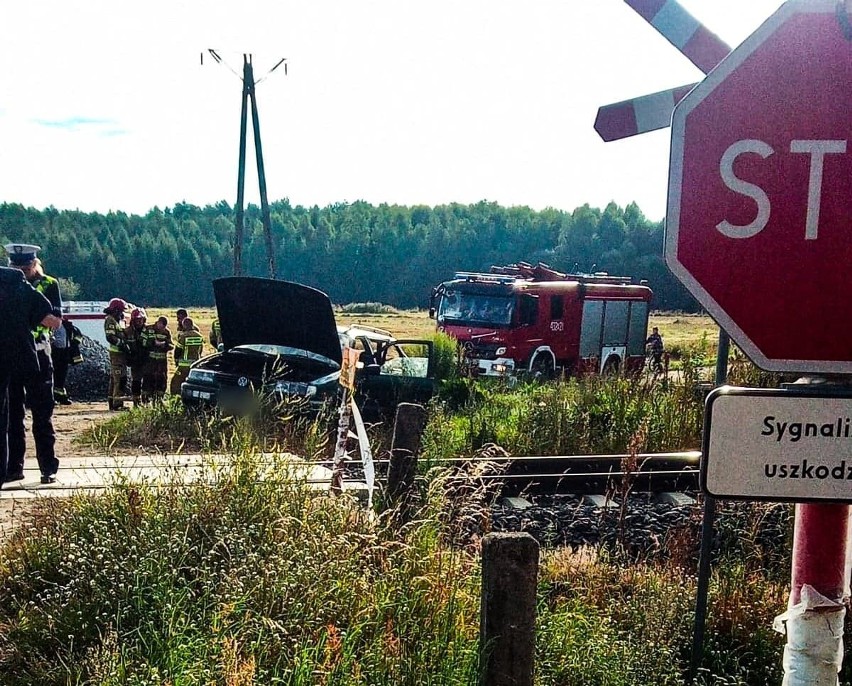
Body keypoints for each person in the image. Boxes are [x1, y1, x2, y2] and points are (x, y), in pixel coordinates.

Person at [4, 244, 63, 485]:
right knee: (12, 415)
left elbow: (55, 321)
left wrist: (24, 315)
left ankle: (47, 466)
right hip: (12, 355)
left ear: (34, 265)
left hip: (38, 352)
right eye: (16, 266)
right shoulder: (4, 285)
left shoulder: (48, 284)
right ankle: (13, 466)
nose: (21, 270)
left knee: (42, 413)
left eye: (25, 267)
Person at [103, 297, 129, 410]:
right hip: (117, 355)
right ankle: (117, 404)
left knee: (114, 379)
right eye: (121, 311)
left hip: (119, 355)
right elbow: (110, 337)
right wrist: (122, 344)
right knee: (120, 379)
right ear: (116, 310)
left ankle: (112, 402)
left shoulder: (115, 320)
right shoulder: (110, 320)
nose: (122, 314)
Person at [51, 317, 83, 405]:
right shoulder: (52, 325)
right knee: (53, 375)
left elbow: (78, 336)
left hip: (64, 352)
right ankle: (52, 397)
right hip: (54, 352)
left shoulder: (67, 326)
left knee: (61, 376)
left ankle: (61, 397)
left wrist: (74, 345)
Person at [169, 317, 204, 395]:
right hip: (195, 364)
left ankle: (176, 399)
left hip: (184, 365)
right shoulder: (199, 336)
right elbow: (200, 350)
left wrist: (176, 360)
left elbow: (178, 350)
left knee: (176, 383)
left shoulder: (184, 336)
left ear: (184, 326)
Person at [142, 316, 173, 402]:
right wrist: (152, 343)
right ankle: (145, 399)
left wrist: (165, 345)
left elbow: (171, 345)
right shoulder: (148, 329)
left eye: (164, 327)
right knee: (148, 379)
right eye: (161, 326)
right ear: (158, 323)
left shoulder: (166, 332)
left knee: (161, 380)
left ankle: (159, 399)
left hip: (161, 362)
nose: (162, 328)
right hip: (150, 360)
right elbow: (142, 342)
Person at [125, 308, 149, 407]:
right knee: (136, 381)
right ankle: (136, 401)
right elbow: (124, 345)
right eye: (137, 320)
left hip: (146, 359)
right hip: (134, 359)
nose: (139, 322)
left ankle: (146, 400)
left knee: (147, 380)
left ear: (144, 320)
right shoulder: (128, 331)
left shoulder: (149, 330)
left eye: (140, 320)